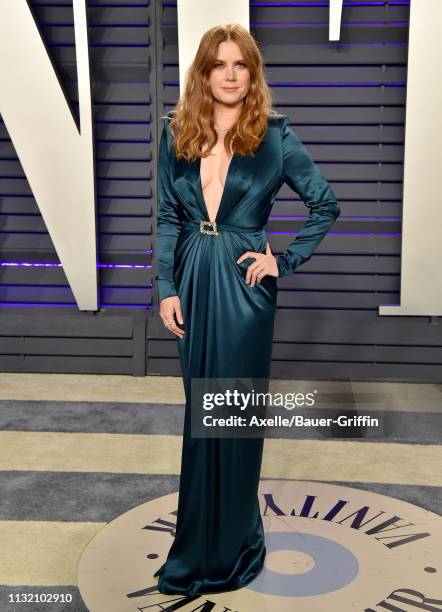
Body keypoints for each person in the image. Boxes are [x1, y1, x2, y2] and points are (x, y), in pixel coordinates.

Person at [154, 23, 340, 596]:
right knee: (198, 417)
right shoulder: (175, 131)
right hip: (191, 273)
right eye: (219, 65)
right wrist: (166, 284)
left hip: (242, 284)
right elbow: (167, 215)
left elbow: (324, 205)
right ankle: (198, 546)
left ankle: (232, 547)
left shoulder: (275, 134)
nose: (230, 75)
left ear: (252, 73)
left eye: (241, 65)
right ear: (204, 73)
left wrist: (283, 260)